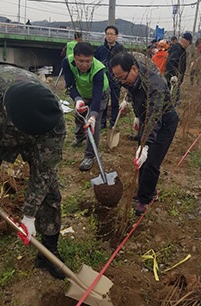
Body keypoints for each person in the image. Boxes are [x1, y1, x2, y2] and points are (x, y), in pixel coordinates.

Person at [0, 64, 66, 280]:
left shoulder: (53, 121)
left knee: (50, 193)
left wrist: (29, 215)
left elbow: (44, 172)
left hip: (36, 137)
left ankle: (48, 251)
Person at [110, 52, 179, 216]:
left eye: (122, 77)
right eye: (117, 78)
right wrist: (131, 106)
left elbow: (155, 117)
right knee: (141, 159)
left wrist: (146, 145)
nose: (121, 82)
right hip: (146, 119)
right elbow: (132, 89)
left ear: (133, 69)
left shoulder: (155, 85)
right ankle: (146, 189)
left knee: (151, 161)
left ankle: (145, 198)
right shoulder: (133, 75)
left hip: (164, 122)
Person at [62, 42, 110, 171]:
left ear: (92, 58)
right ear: (75, 57)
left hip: (100, 94)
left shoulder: (98, 69)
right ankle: (79, 136)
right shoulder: (67, 62)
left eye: (88, 61)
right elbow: (70, 84)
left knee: (92, 125)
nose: (84, 64)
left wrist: (93, 116)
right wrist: (77, 100)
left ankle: (90, 155)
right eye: (81, 61)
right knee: (79, 115)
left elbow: (97, 95)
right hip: (82, 93)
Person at [95, 25, 125, 129]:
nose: (109, 36)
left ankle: (113, 122)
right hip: (103, 80)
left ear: (116, 36)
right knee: (103, 101)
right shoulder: (100, 50)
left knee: (115, 102)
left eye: (111, 34)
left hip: (116, 80)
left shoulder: (120, 50)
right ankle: (102, 122)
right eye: (107, 34)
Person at [164, 32, 192, 105]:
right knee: (171, 99)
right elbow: (171, 62)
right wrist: (173, 76)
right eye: (189, 43)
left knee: (174, 98)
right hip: (173, 80)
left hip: (176, 79)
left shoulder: (180, 50)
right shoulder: (177, 49)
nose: (189, 45)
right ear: (186, 41)